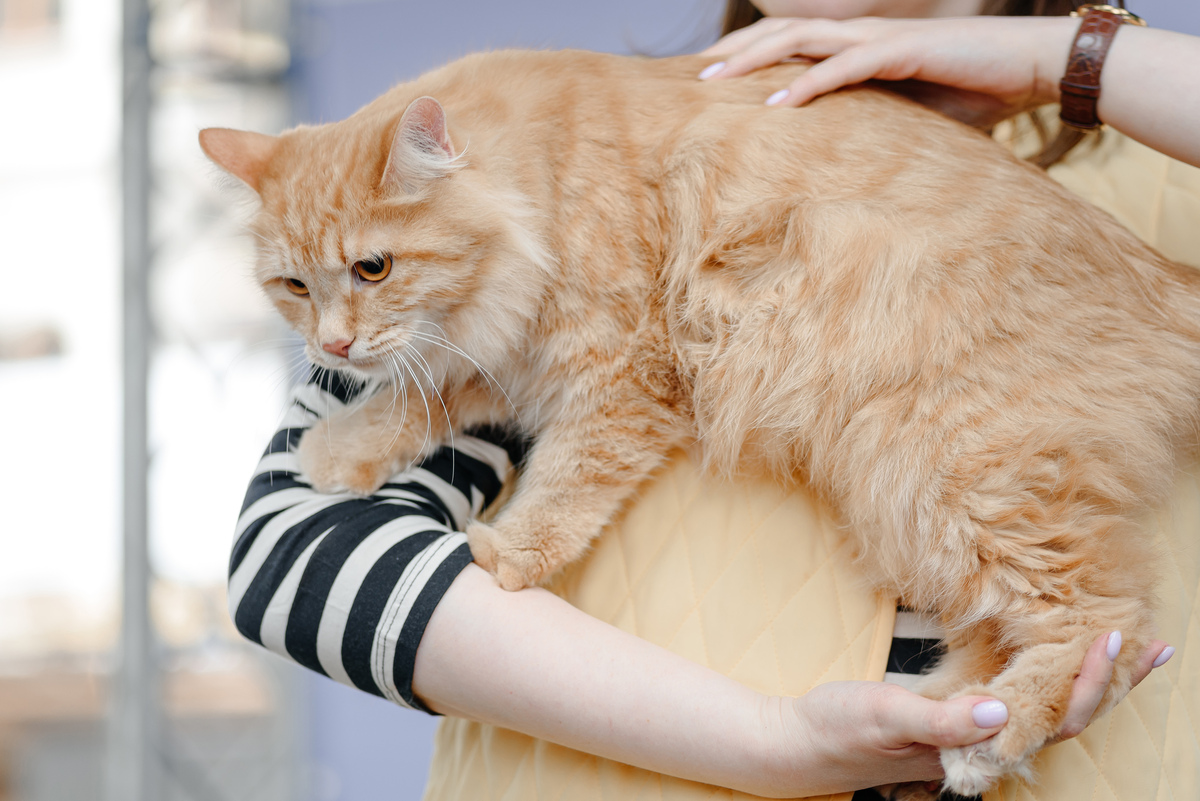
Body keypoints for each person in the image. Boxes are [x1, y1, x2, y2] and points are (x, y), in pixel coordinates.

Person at [227, 2, 1200, 799]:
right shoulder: (551, 152)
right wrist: (773, 744)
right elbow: (294, 558)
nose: (332, 327)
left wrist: (1075, 61)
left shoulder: (1162, 171)